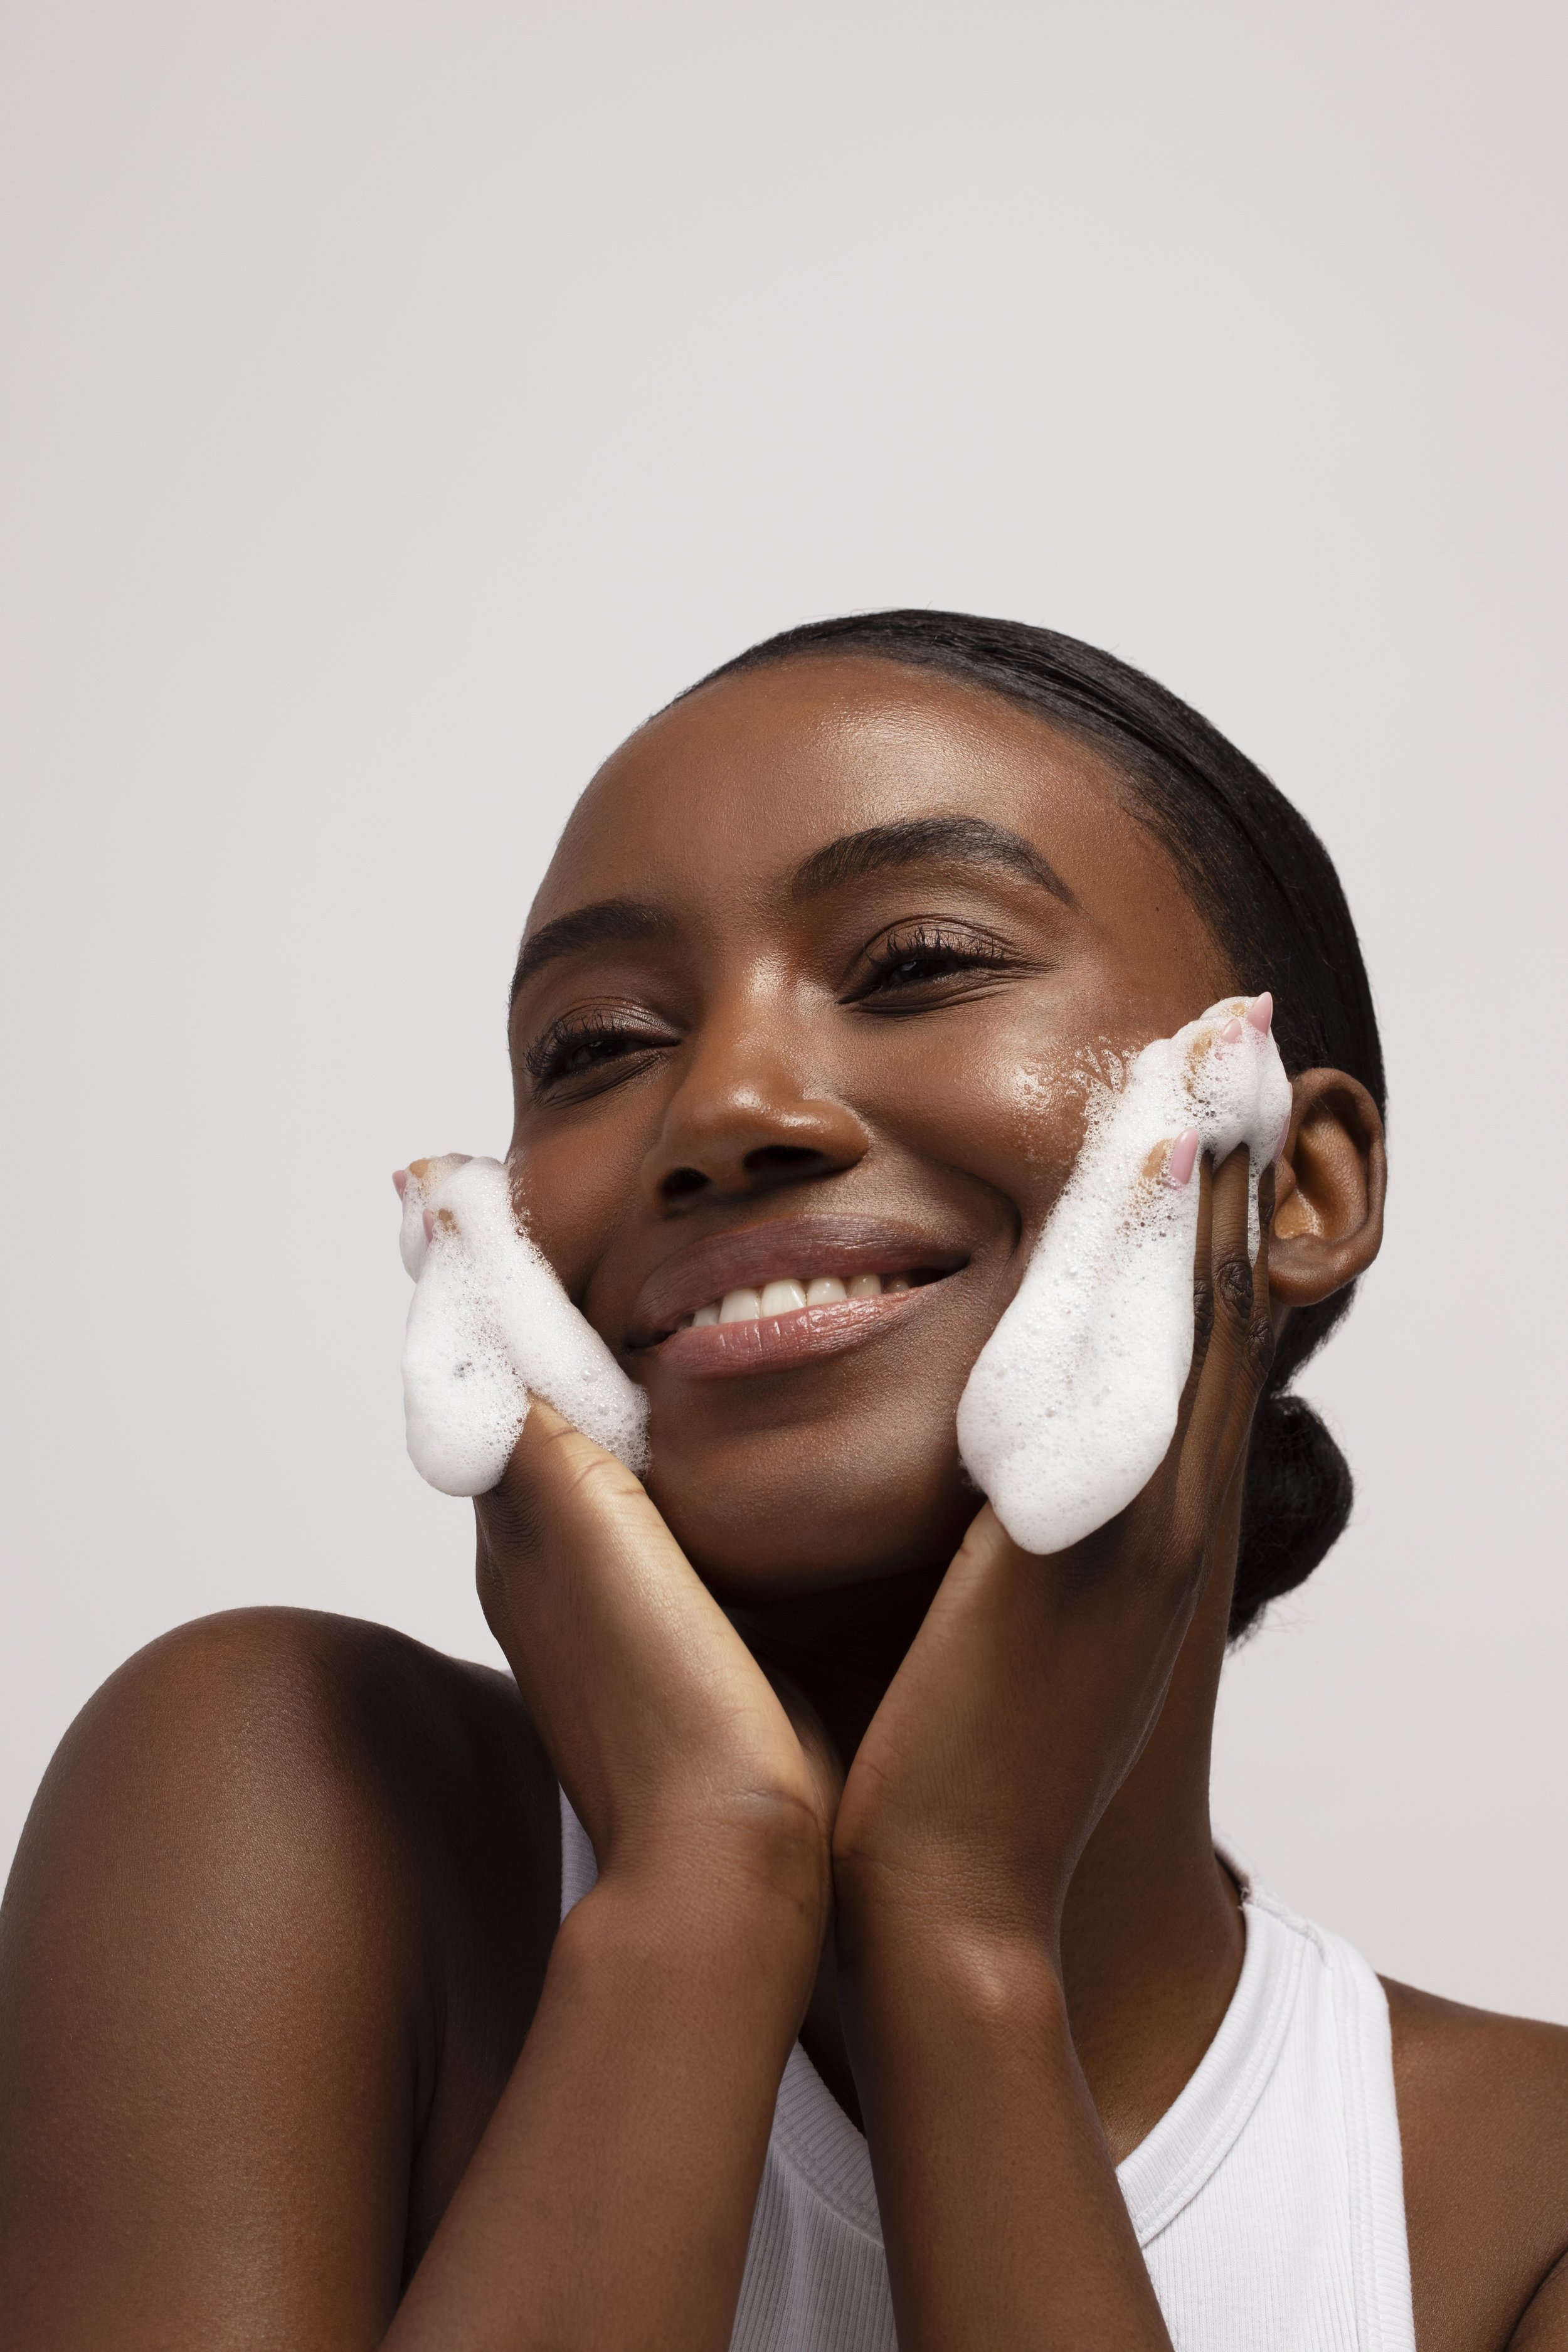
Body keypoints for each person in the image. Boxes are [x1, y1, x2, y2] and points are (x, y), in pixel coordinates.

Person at [1, 611, 1563, 2351]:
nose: (725, 1105)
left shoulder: (1517, 2211)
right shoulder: (292, 1810)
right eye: (595, 1048)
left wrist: (958, 1935)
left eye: (917, 962)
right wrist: (698, 1887)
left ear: (1296, 1185)